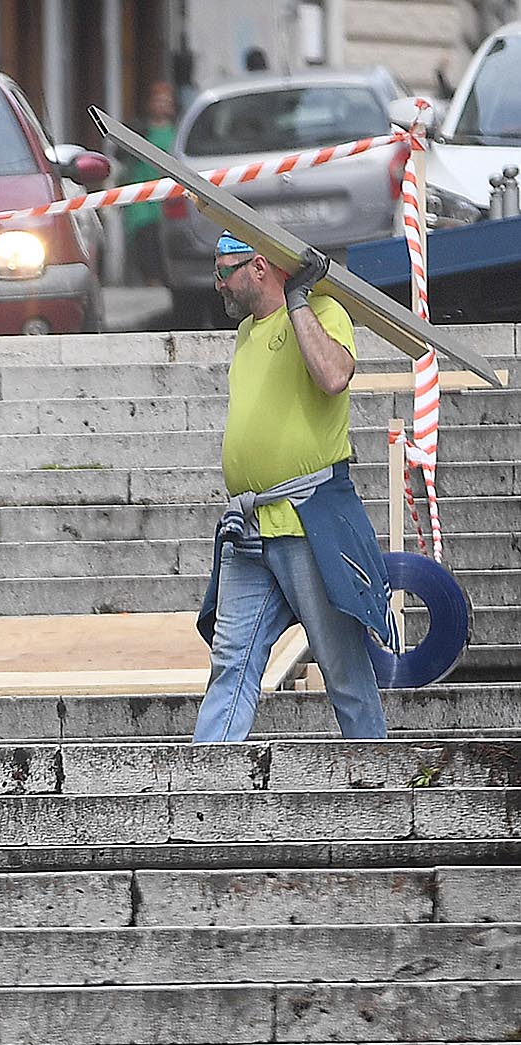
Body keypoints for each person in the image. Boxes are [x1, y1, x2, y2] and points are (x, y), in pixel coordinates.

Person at [193, 231, 390, 745]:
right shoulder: (245, 335)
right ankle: (207, 786)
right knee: (230, 663)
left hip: (308, 522)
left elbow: (333, 376)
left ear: (259, 266)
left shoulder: (324, 312)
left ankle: (376, 779)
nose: (217, 284)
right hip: (250, 528)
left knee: (341, 665)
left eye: (224, 271)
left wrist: (301, 298)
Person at [121, 82, 179, 286]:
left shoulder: (178, 132)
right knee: (145, 240)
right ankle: (151, 280)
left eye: (166, 102)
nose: (162, 106)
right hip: (142, 197)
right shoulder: (140, 130)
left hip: (168, 198)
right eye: (158, 101)